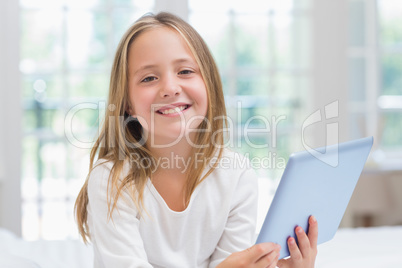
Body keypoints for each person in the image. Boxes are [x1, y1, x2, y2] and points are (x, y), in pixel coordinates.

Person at [75, 12, 318, 268]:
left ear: (209, 85)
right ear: (127, 104)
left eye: (185, 71)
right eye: (148, 78)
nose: (170, 87)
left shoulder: (236, 178)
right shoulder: (112, 180)